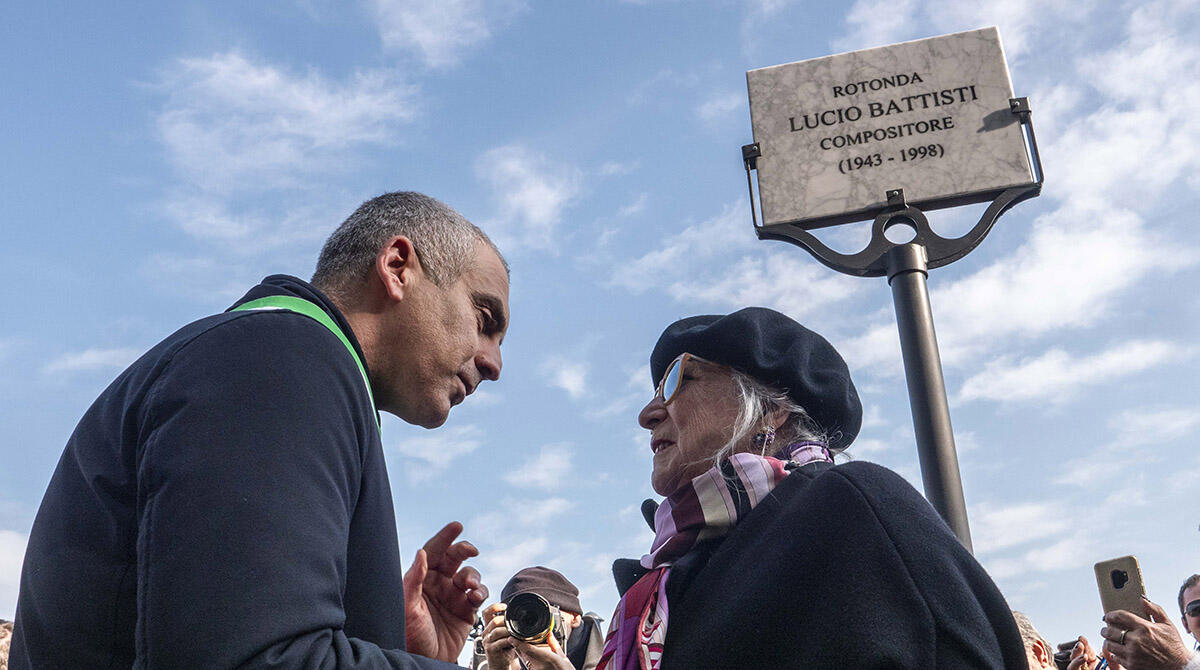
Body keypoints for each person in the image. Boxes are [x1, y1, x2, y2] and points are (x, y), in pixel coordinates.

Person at [10, 192, 509, 668]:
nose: (494, 364)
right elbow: (252, 659)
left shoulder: (274, 361)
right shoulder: (278, 359)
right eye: (484, 318)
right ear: (398, 267)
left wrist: (394, 648)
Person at [598, 307, 1028, 669]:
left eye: (680, 380)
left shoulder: (849, 508)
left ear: (770, 410)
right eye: (657, 390)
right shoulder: (672, 569)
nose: (649, 412)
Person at [476, 567, 604, 670]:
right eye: (520, 618)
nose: (533, 625)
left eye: (543, 613)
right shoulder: (513, 660)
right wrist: (498, 667)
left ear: (575, 617)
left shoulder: (617, 655)